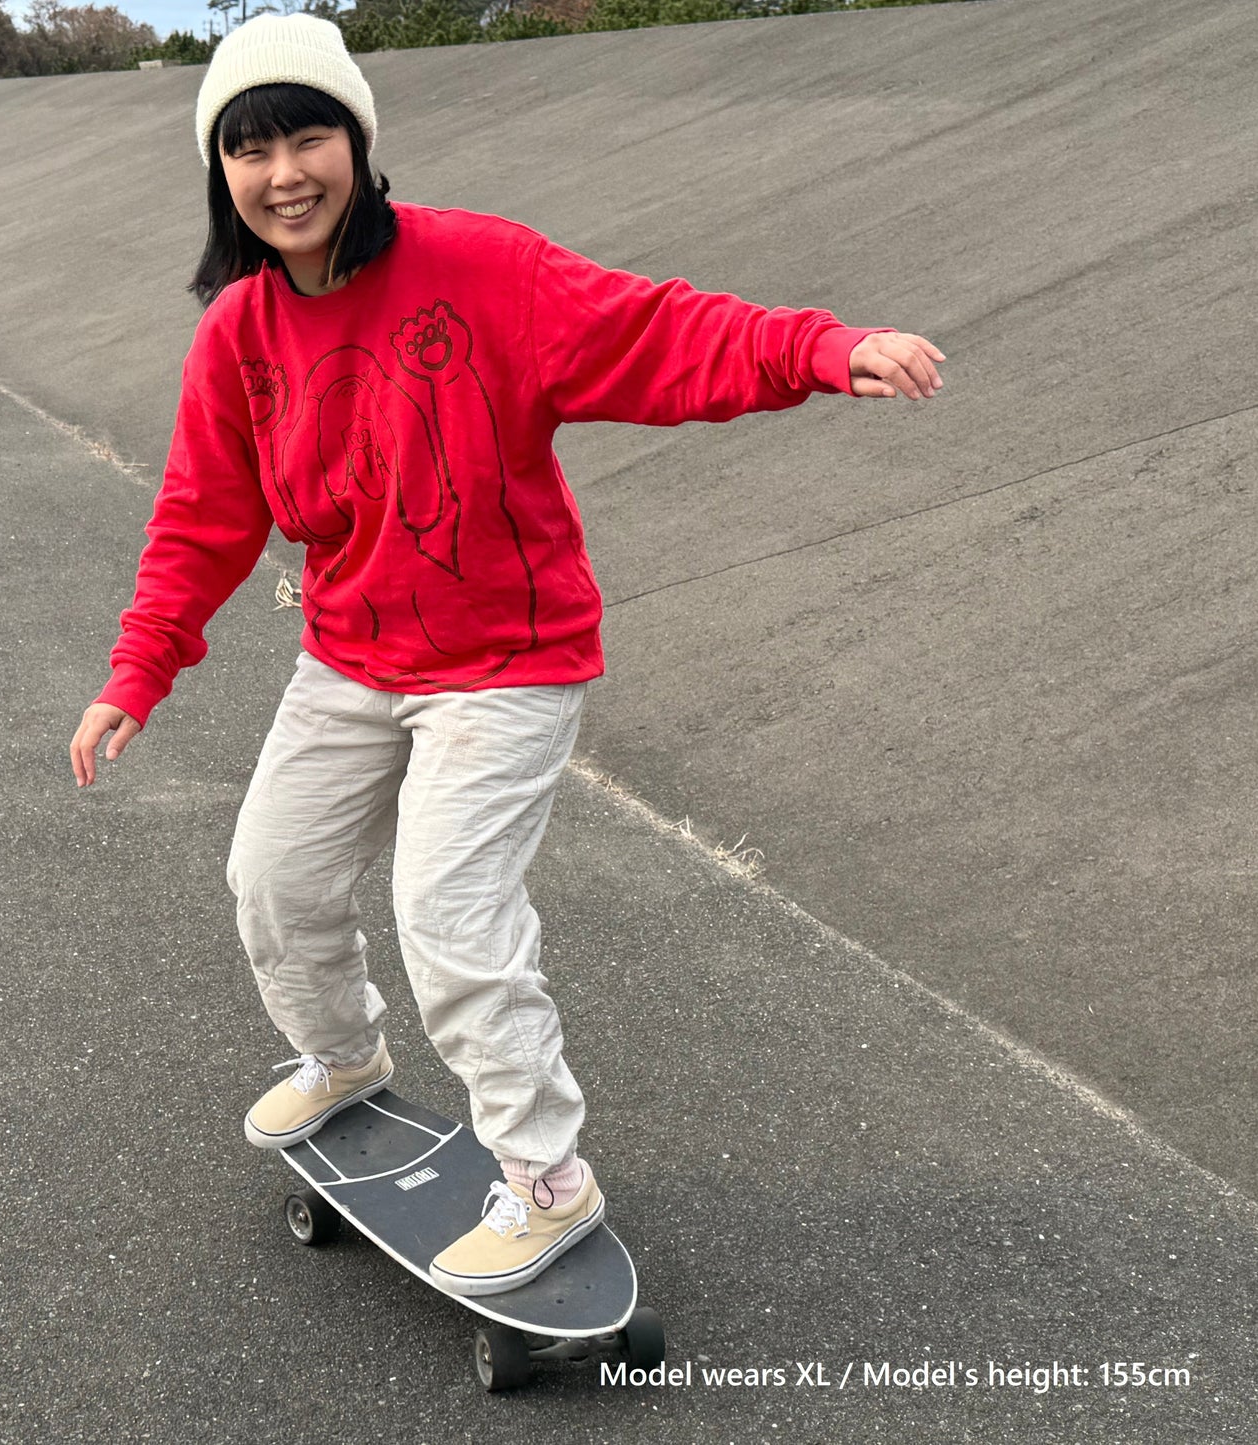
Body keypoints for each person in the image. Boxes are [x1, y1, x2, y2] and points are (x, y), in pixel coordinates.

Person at [68, 13, 945, 1298]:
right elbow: (200, 519)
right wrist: (133, 673)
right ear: (224, 176)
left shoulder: (479, 270)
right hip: (351, 659)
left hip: (506, 661)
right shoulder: (240, 337)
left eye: (308, 135)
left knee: (450, 915)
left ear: (359, 145)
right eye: (250, 151)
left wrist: (817, 347)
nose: (283, 173)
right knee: (273, 877)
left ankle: (545, 1176)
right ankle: (345, 1059)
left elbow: (657, 331)